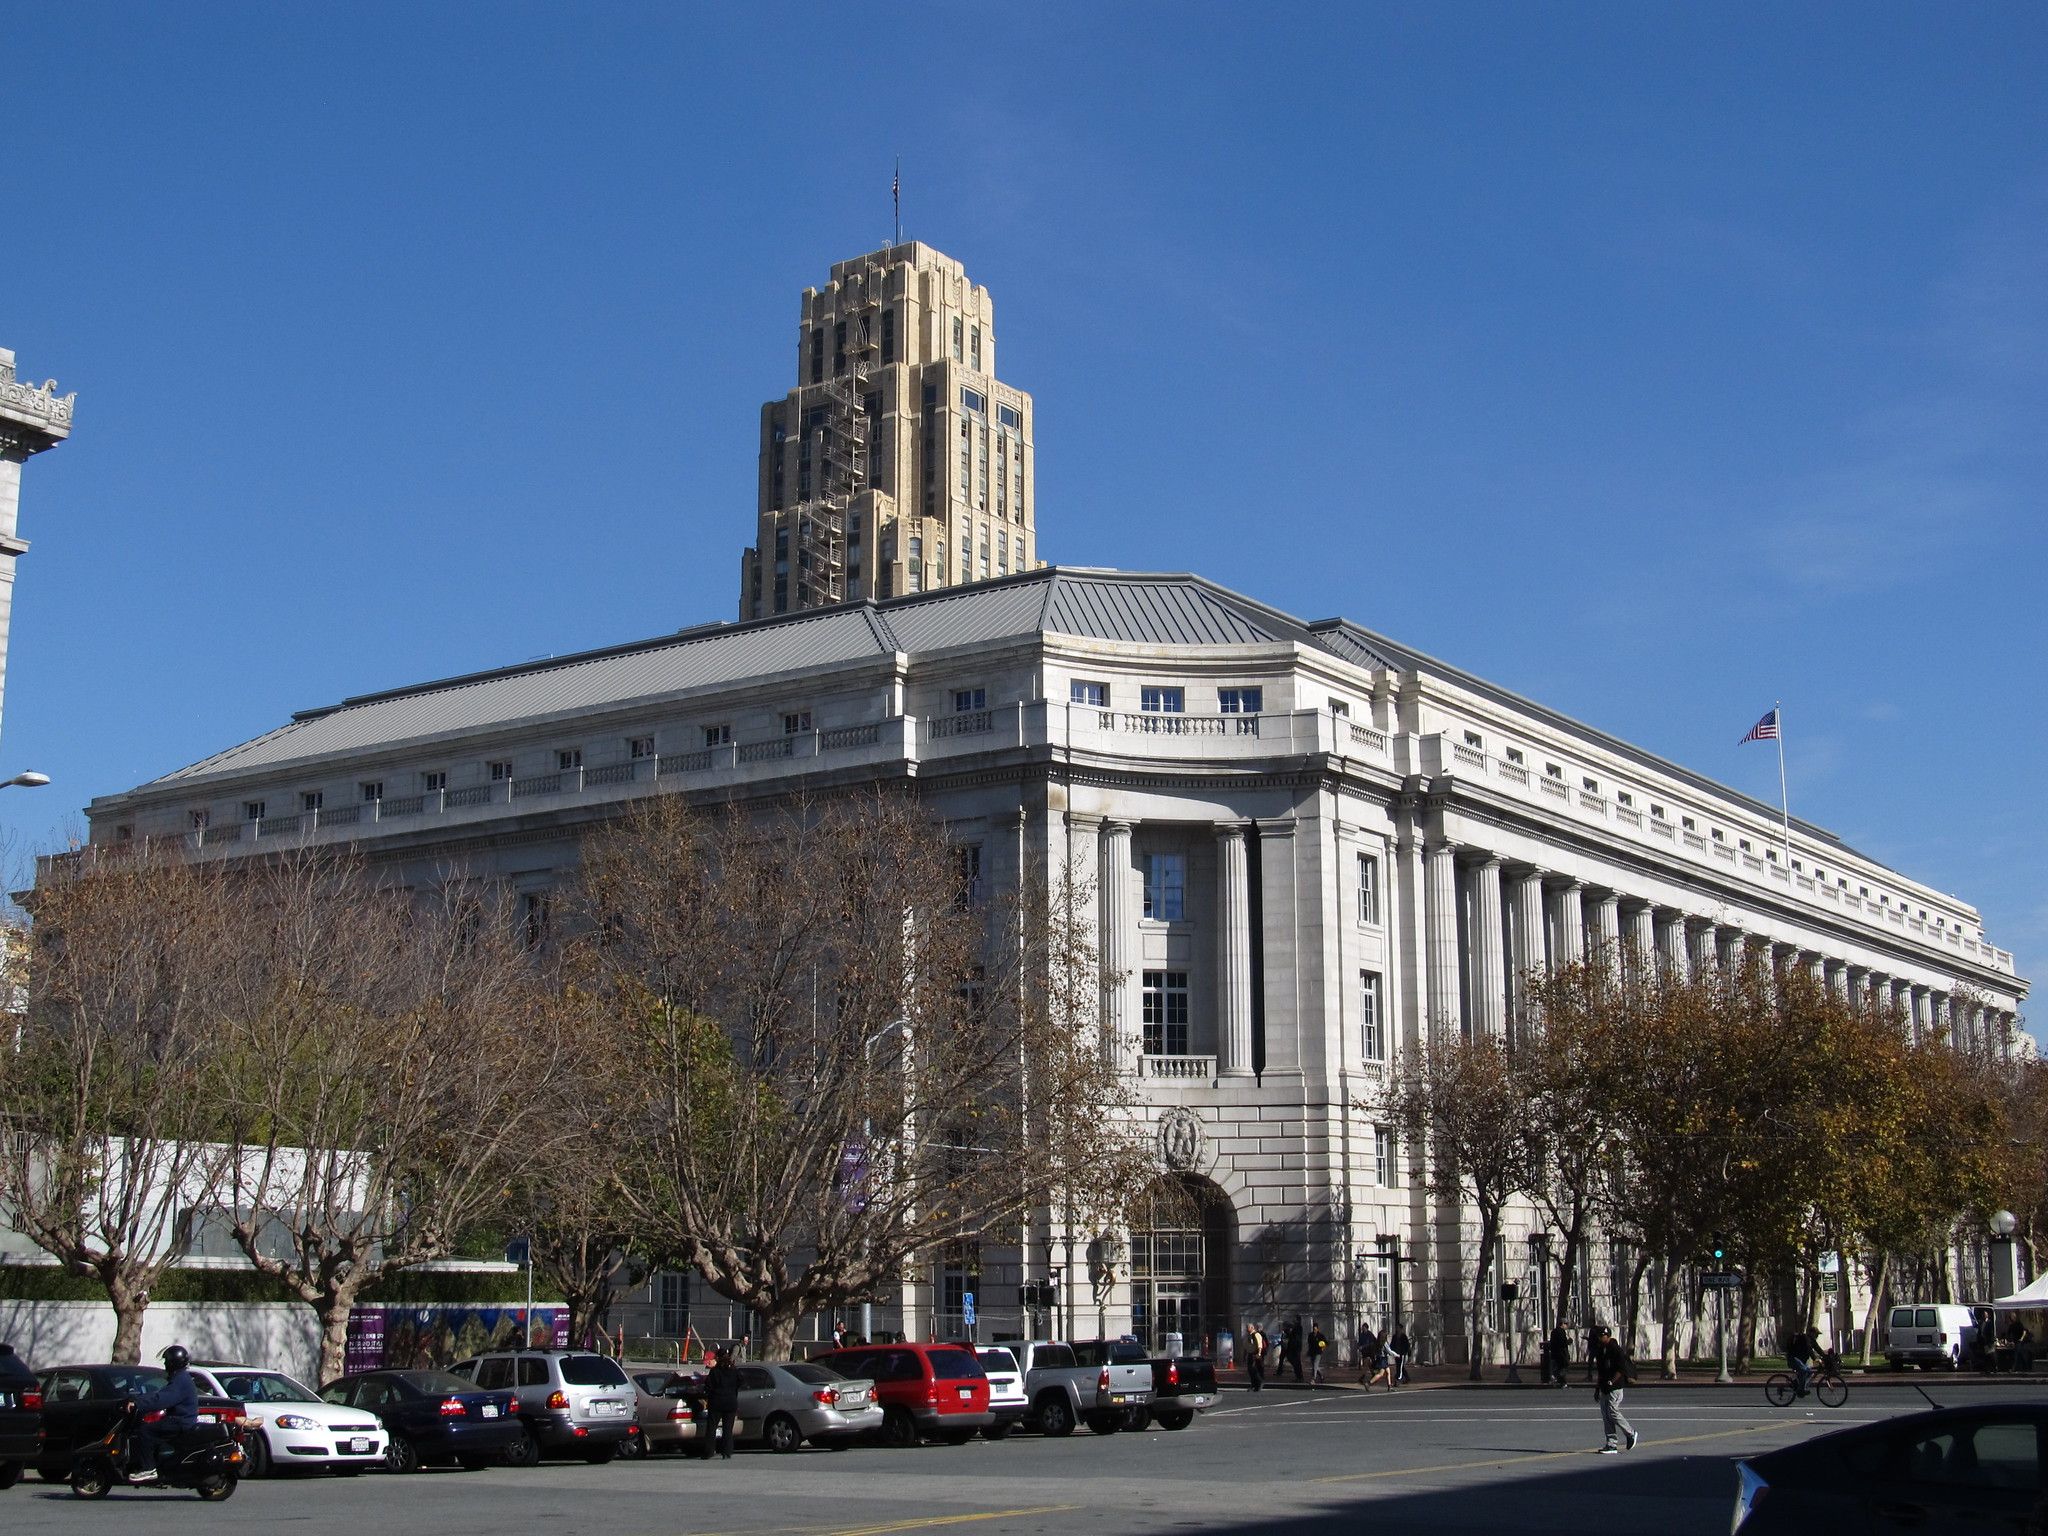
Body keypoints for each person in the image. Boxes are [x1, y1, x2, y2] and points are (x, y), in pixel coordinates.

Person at [126, 1344, 200, 1482]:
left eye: (167, 1360)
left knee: (145, 1431)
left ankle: (148, 1468)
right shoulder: (180, 1378)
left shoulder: (180, 1380)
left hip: (180, 1421)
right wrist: (139, 1399)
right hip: (181, 1420)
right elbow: (160, 1394)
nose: (165, 1363)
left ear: (173, 1362)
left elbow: (163, 1399)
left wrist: (139, 1404)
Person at [1593, 1325, 1637, 1455]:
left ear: (1608, 1336)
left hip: (1615, 1387)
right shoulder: (1601, 1350)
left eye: (1602, 1336)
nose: (1599, 1338)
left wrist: (1612, 1381)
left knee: (1612, 1411)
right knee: (1606, 1415)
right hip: (1604, 1388)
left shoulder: (1615, 1349)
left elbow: (1621, 1369)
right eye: (1598, 1336)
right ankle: (1611, 1444)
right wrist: (1597, 1388)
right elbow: (1600, 1371)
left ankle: (1630, 1433)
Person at [700, 1346, 740, 1460]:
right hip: (731, 1402)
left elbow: (708, 1386)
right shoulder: (734, 1370)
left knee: (712, 1427)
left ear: (717, 1358)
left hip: (717, 1402)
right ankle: (727, 1451)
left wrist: (710, 1394)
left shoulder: (715, 1371)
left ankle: (709, 1451)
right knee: (728, 1428)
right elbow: (740, 1381)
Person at [1786, 1323, 1821, 1400]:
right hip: (1793, 1358)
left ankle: (1797, 1384)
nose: (1817, 1336)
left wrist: (1826, 1357)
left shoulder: (1812, 1340)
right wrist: (1815, 1358)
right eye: (1816, 1334)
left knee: (1809, 1371)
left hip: (1799, 1360)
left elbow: (1818, 1349)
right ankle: (1801, 1390)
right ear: (1811, 1333)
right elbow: (1809, 1350)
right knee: (1804, 1371)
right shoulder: (1805, 1338)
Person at [1548, 1323, 1571, 1389]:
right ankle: (1560, 1380)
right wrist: (1568, 1341)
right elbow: (1563, 1343)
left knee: (1557, 1367)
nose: (1566, 1326)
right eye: (1566, 1324)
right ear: (1562, 1324)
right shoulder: (1562, 1331)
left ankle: (1557, 1379)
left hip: (1554, 1353)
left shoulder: (1553, 1331)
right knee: (1564, 1367)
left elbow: (1552, 1343)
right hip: (1562, 1353)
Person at [1245, 1324, 1266, 1392]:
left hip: (1255, 1354)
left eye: (1248, 1328)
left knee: (1254, 1370)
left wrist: (1258, 1354)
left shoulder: (1256, 1334)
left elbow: (1260, 1345)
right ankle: (1253, 1385)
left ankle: (1259, 1383)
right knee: (1250, 1370)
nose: (1246, 1329)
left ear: (1252, 1328)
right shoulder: (1249, 1335)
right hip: (1250, 1354)